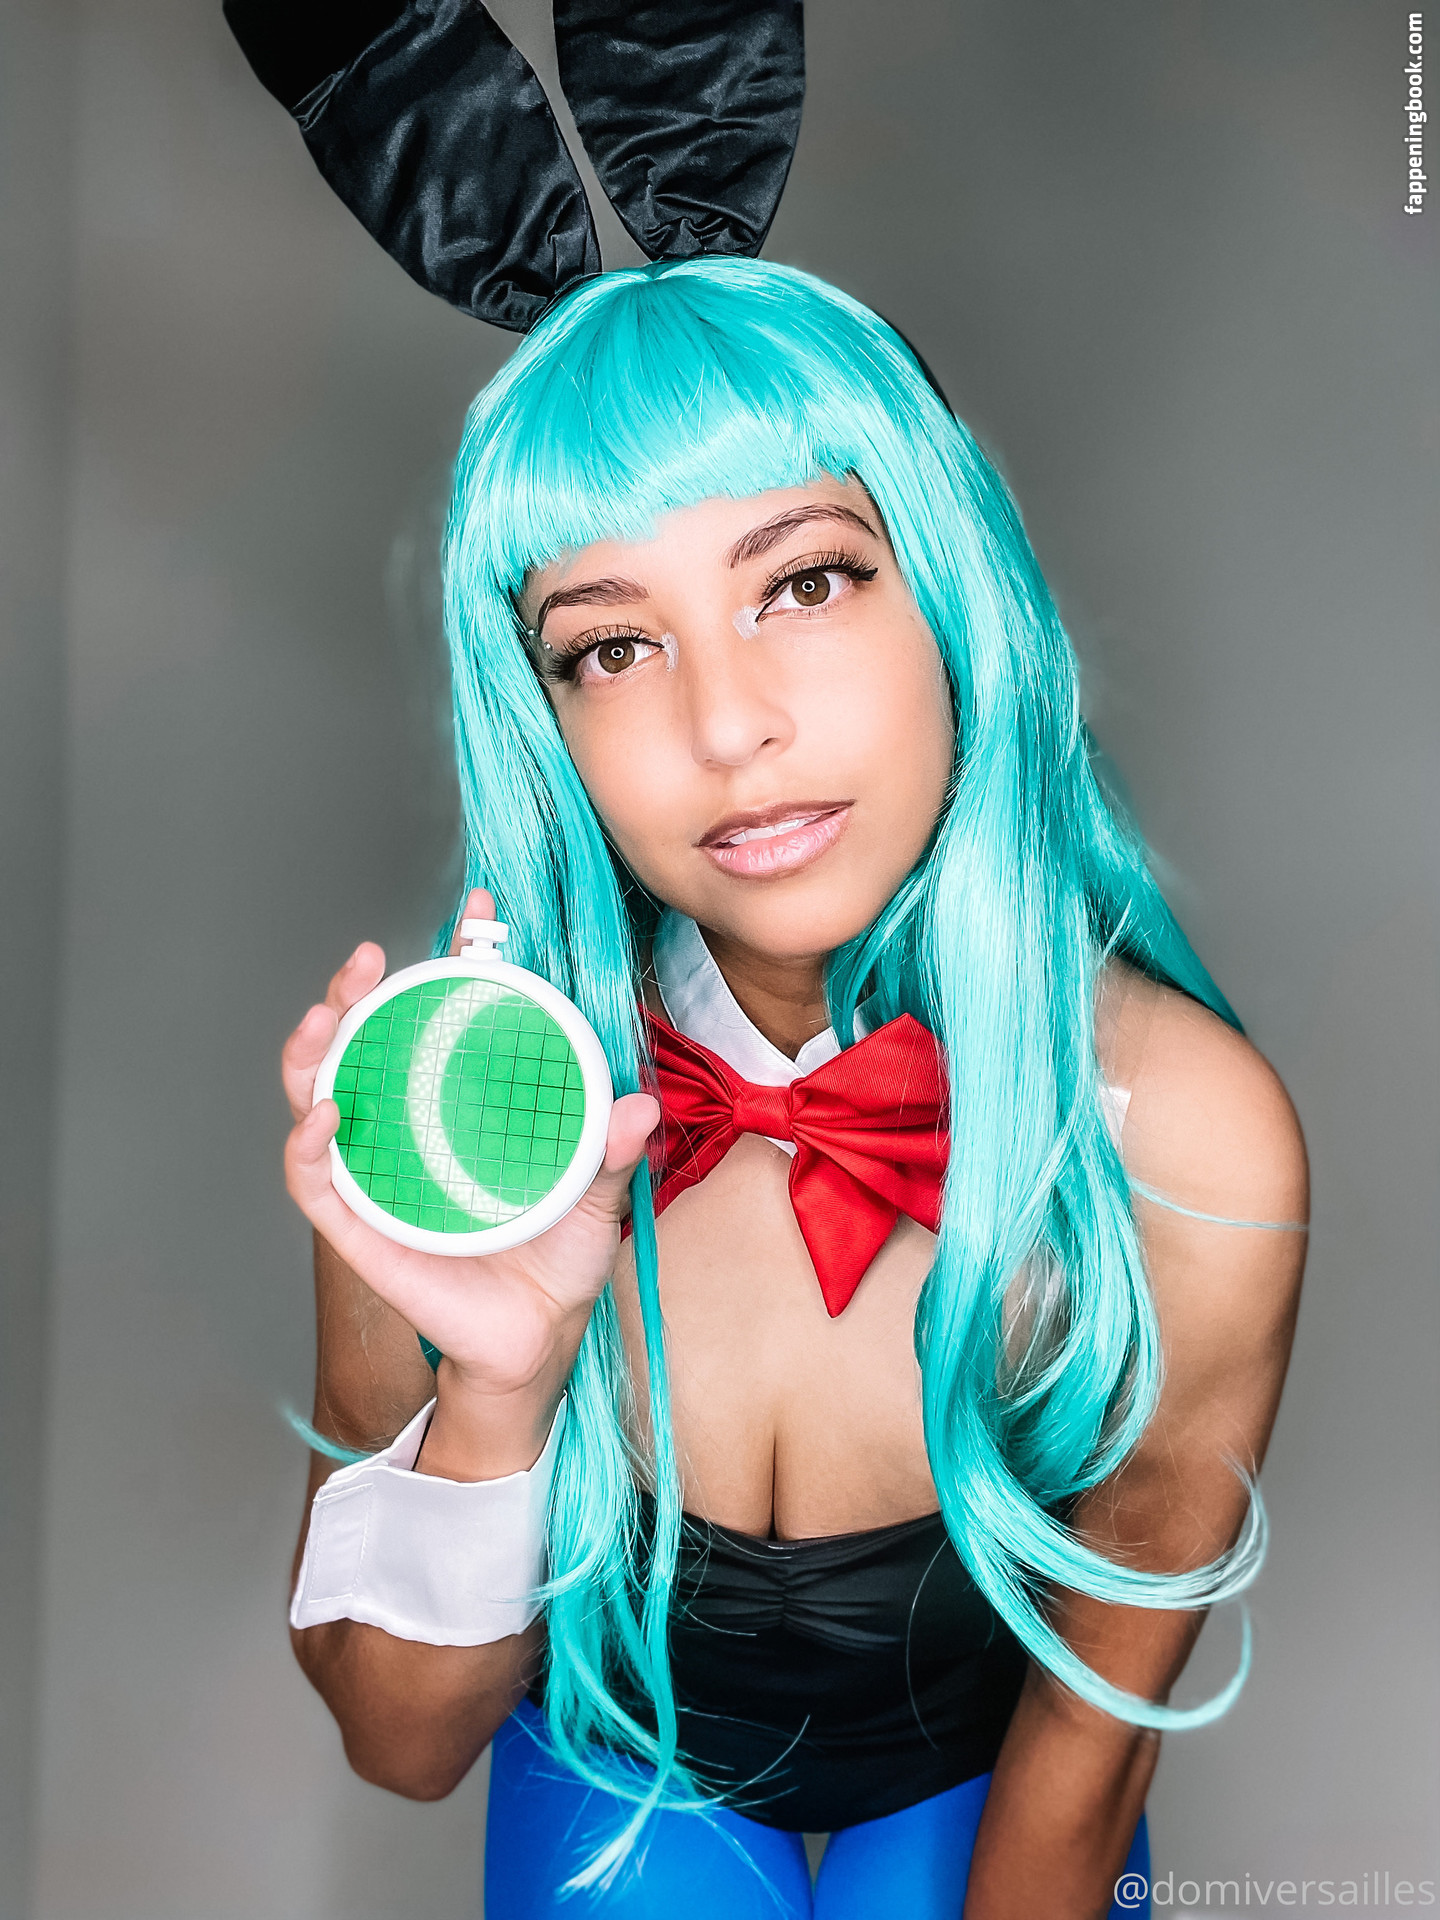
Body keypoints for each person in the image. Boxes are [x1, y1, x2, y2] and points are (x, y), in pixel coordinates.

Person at [276, 256, 1308, 1918]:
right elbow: (398, 1746)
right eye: (614, 647)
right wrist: (496, 1399)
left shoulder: (1184, 1135)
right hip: (626, 1765)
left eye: (807, 582)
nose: (728, 726)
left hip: (987, 1787)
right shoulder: (449, 1117)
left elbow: (1094, 1750)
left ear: (952, 589)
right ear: (541, 718)